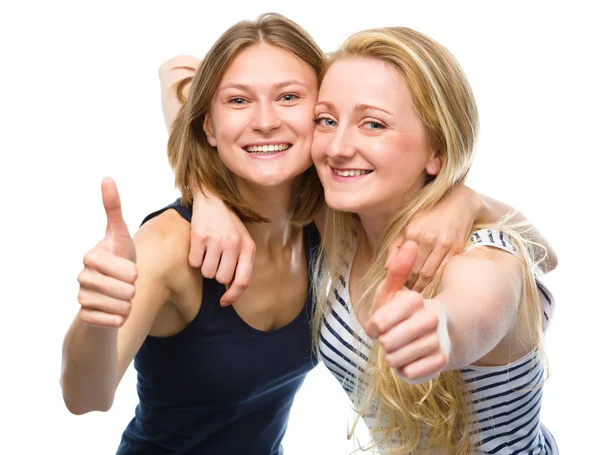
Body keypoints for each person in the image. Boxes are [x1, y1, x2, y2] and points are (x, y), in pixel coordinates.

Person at [61, 13, 325, 455]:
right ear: (207, 126)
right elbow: (85, 398)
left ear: (323, 114)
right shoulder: (167, 248)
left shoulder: (328, 222)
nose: (265, 120)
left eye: (289, 96)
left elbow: (180, 77)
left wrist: (206, 190)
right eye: (238, 101)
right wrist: (97, 316)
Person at [310, 27, 558, 453]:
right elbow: (223, 131)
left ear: (436, 151)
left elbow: (476, 307)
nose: (336, 145)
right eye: (326, 120)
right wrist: (207, 199)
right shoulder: (339, 228)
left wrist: (440, 328)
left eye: (373, 124)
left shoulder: (478, 258)